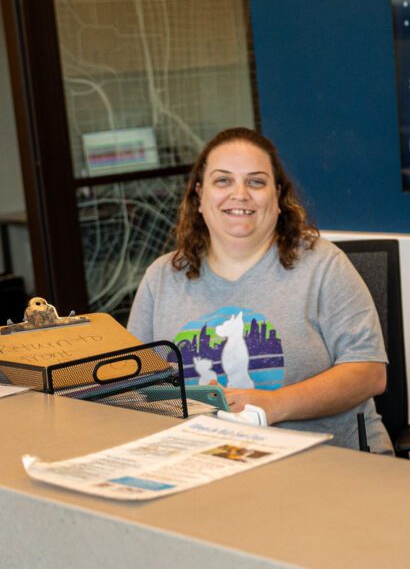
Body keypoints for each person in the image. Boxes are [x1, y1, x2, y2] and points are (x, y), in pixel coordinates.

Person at [126, 127, 390, 452]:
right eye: (223, 180)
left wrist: (271, 405)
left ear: (277, 198)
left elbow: (369, 373)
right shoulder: (162, 277)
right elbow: (135, 385)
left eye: (256, 181)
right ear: (199, 196)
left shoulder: (323, 265)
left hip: (323, 464)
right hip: (206, 463)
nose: (240, 194)